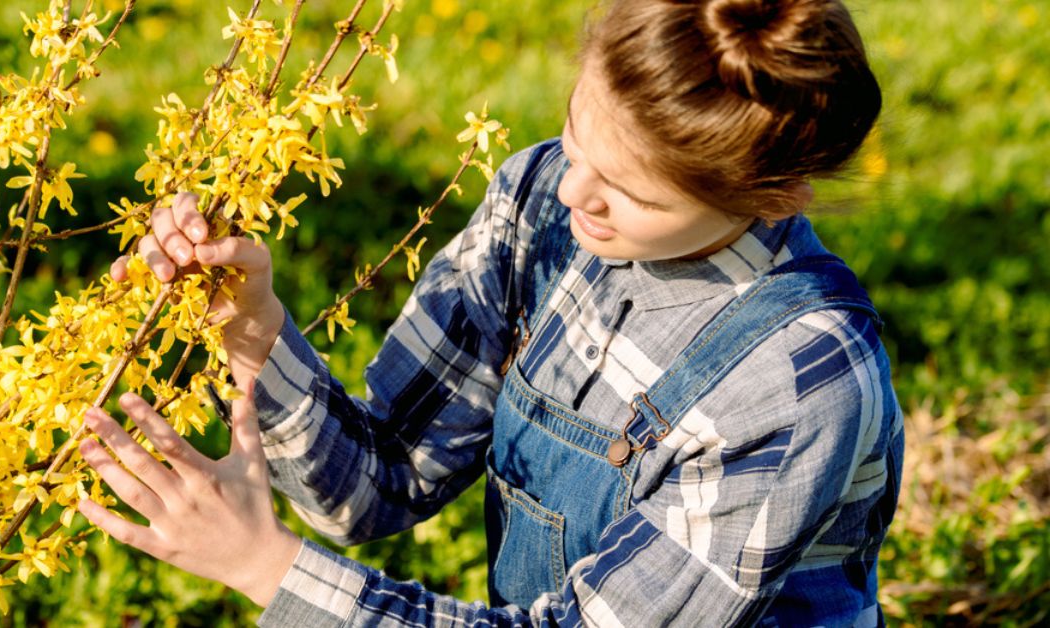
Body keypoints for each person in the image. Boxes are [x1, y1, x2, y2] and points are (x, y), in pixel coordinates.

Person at [78, 0, 904, 625]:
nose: (576, 193)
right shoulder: (543, 203)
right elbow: (380, 479)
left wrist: (267, 568)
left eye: (633, 192)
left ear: (772, 197)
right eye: (579, 138)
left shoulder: (797, 381)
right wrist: (251, 326)